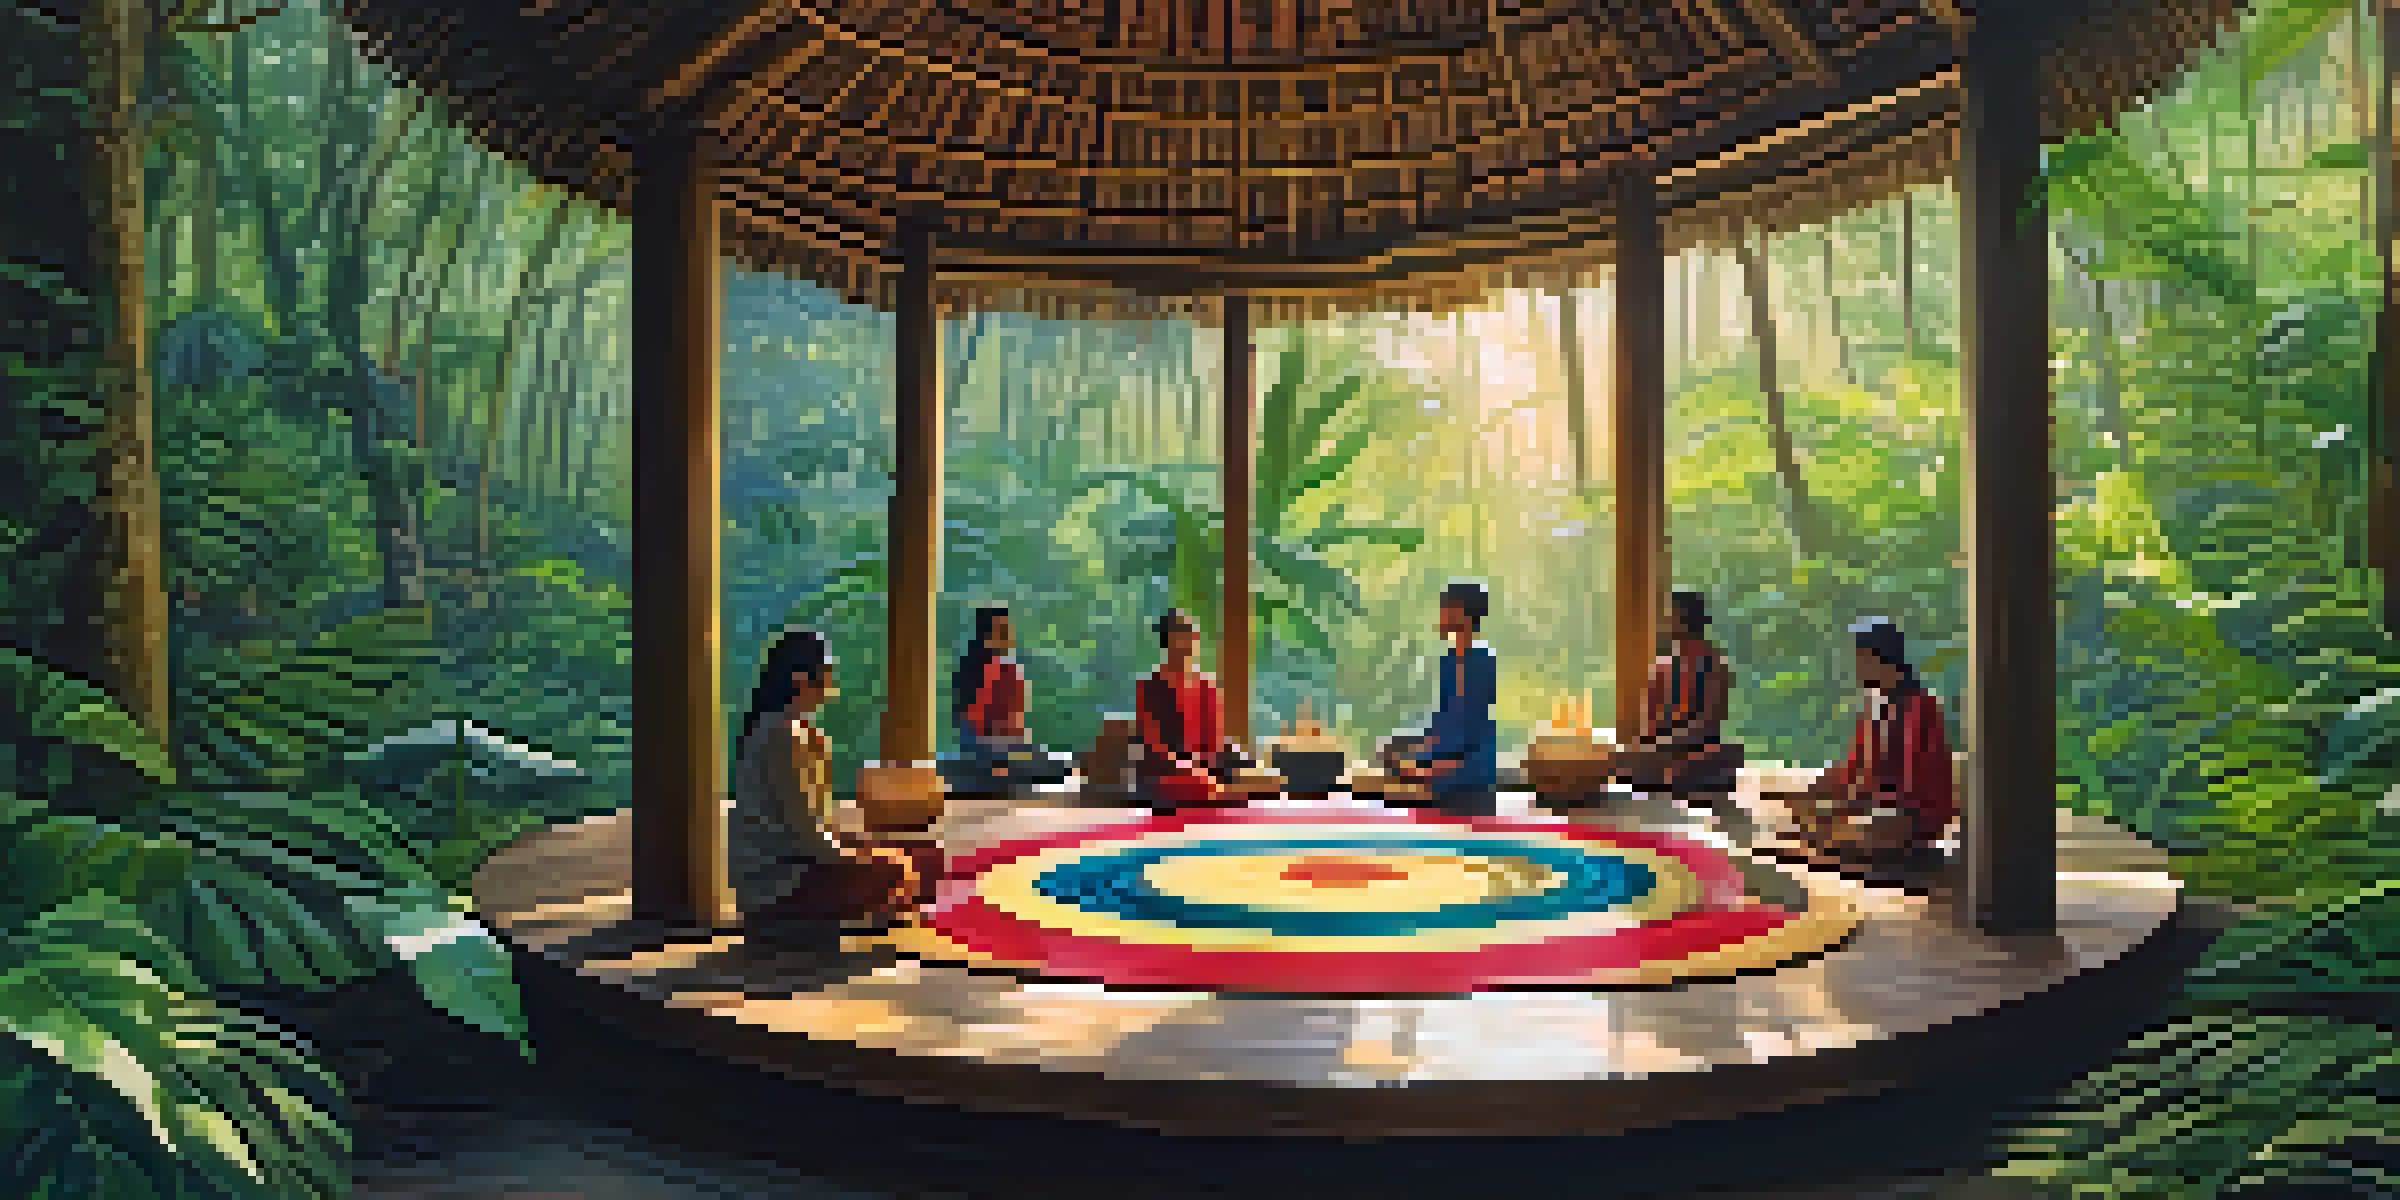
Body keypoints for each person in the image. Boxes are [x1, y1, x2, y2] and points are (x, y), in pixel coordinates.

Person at [727, 627, 940, 943]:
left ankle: (877, 911)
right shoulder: (782, 735)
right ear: (802, 679)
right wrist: (876, 859)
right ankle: (838, 919)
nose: (831, 684)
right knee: (896, 868)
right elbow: (811, 840)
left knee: (924, 856)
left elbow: (819, 824)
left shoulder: (795, 731)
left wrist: (866, 846)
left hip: (801, 863)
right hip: (776, 886)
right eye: (827, 673)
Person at [1789, 617, 1956, 862]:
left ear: (1879, 658)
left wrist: (1853, 803)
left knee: (1859, 829)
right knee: (1806, 810)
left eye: (1860, 658)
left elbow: (1911, 787)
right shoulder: (1874, 706)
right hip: (1875, 807)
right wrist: (1817, 790)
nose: (1856, 667)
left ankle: (1861, 844)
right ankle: (1847, 840)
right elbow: (1855, 766)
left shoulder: (1921, 707)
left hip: (1911, 816)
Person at [1610, 591, 1745, 800]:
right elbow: (1651, 722)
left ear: (1685, 620)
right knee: (1619, 761)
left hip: (1696, 748)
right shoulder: (1664, 665)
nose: (1663, 624)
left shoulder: (1712, 664)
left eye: (1669, 617)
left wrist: (1664, 746)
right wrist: (1645, 745)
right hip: (1664, 748)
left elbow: (1709, 721)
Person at [1380, 581, 1498, 817]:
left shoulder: (1482, 660)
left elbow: (1469, 729)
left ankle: (1439, 786)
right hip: (1446, 748)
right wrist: (1418, 745)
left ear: (1462, 614)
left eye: (1446, 608)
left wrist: (1432, 765)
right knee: (1391, 749)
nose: (1441, 615)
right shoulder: (1449, 660)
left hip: (1469, 759)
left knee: (1422, 769)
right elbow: (1444, 717)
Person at [948, 606, 1066, 788]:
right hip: (988, 746)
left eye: (1007, 631)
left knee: (1053, 765)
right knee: (1047, 767)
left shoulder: (1004, 667)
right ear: (986, 635)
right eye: (1002, 631)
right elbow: (978, 721)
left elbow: (1013, 721)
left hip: (998, 745)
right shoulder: (990, 669)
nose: (1008, 637)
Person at [1134, 609, 1234, 812]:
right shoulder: (1150, 686)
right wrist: (1186, 767)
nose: (1190, 638)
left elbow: (1214, 742)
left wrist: (1203, 769)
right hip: (1163, 775)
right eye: (1182, 632)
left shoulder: (1207, 687)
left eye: (1192, 632)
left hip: (1203, 773)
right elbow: (1152, 743)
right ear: (1168, 638)